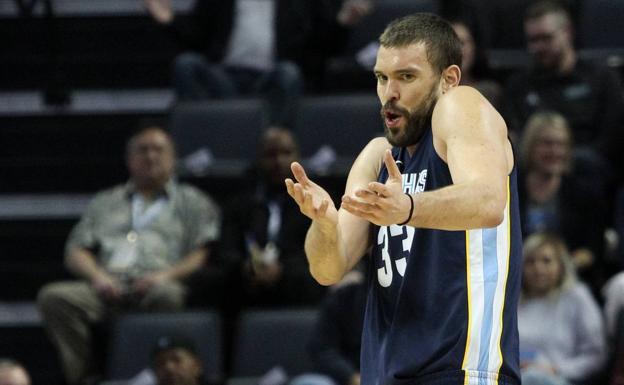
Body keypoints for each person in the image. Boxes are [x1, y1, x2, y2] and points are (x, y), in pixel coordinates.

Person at [285, 13, 522, 385]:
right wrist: (324, 224)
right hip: (385, 374)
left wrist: (407, 208)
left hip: (458, 371)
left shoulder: (461, 107)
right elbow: (327, 269)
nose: (389, 93)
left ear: (449, 79)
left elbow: (490, 202)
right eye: (382, 78)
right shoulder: (376, 156)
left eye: (406, 77)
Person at [37, 126, 221, 385]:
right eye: (142, 150)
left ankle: (158, 376)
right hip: (108, 285)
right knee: (54, 297)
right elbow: (76, 251)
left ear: (172, 157)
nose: (151, 156)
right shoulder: (105, 201)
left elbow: (202, 253)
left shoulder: (193, 202)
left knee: (168, 295)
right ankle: (82, 377)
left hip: (158, 284)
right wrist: (98, 277)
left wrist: (163, 277)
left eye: (159, 150)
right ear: (129, 159)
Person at [143, 0, 370, 125]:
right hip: (225, 77)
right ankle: (205, 133)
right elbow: (198, 37)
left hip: (272, 79)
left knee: (289, 73)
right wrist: (168, 21)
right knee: (186, 65)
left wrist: (342, 22)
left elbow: (320, 47)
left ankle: (273, 144)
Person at [503, 0, 624, 174]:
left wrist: (564, 160)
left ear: (567, 32)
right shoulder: (519, 85)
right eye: (533, 40)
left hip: (588, 172)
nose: (539, 47)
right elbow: (513, 137)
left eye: (546, 38)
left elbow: (611, 138)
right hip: (532, 174)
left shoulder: (602, 78)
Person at [221, 127, 325, 308]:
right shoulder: (240, 202)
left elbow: (321, 248)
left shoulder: (316, 201)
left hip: (297, 282)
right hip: (247, 283)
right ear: (258, 158)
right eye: (270, 154)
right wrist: (246, 267)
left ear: (298, 156)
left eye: (286, 153)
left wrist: (282, 270)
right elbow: (227, 248)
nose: (278, 161)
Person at [518, 111, 609, 294]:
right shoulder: (511, 191)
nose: (555, 151)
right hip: (518, 284)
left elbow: (594, 249)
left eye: (561, 144)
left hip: (568, 284)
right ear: (530, 145)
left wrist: (557, 269)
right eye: (547, 144)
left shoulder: (583, 193)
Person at [518, 232, 607, 385]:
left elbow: (596, 355)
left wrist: (556, 369)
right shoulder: (512, 299)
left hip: (560, 378)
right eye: (530, 261)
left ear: (561, 265)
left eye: (546, 261)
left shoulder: (577, 296)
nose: (538, 268)